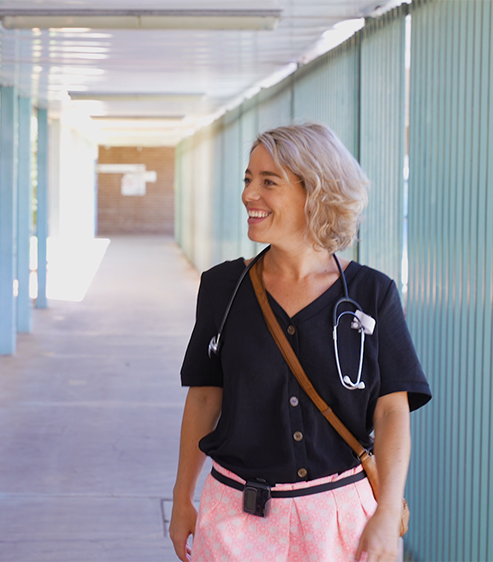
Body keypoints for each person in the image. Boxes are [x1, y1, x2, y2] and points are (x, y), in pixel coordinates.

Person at [170, 123, 431, 562]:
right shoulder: (222, 288)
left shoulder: (371, 295)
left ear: (316, 191)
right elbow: (203, 400)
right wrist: (182, 498)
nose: (249, 194)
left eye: (268, 181)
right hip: (234, 518)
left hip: (340, 523)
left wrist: (387, 513)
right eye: (248, 179)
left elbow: (391, 412)